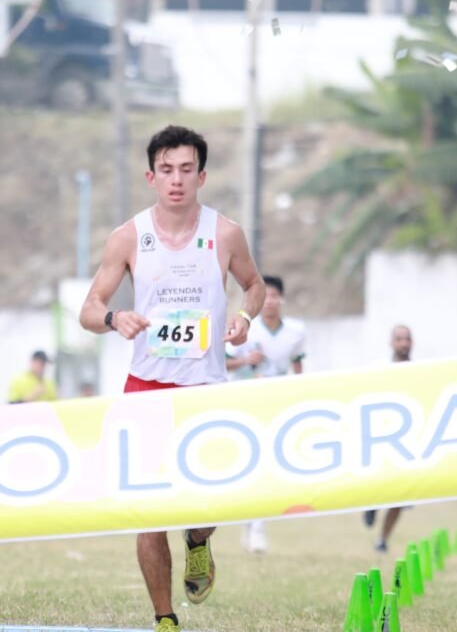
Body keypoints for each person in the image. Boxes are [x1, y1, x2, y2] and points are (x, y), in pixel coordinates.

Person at [79, 125, 265, 632]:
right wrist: (117, 319)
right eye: (167, 170)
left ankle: (200, 541)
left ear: (201, 176)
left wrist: (245, 319)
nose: (176, 180)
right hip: (146, 387)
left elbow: (254, 285)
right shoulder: (128, 237)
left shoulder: (224, 233)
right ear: (151, 176)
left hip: (205, 387)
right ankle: (165, 619)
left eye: (186, 170)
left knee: (214, 497)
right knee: (147, 511)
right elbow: (89, 309)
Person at [225, 274, 305, 554]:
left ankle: (257, 525)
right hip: (247, 401)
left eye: (274, 296)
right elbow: (224, 363)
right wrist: (245, 361)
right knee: (250, 462)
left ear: (281, 298)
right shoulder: (247, 329)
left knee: (268, 464)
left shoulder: (296, 331)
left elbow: (298, 366)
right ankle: (252, 524)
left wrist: (299, 395)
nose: (269, 302)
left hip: (276, 402)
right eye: (265, 296)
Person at [363, 325, 413, 552]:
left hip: (410, 440)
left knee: (402, 497)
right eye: (399, 339)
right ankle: (372, 504)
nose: (403, 343)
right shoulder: (379, 368)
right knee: (381, 483)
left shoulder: (420, 369)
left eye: (407, 339)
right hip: (383, 437)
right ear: (391, 342)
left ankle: (383, 539)